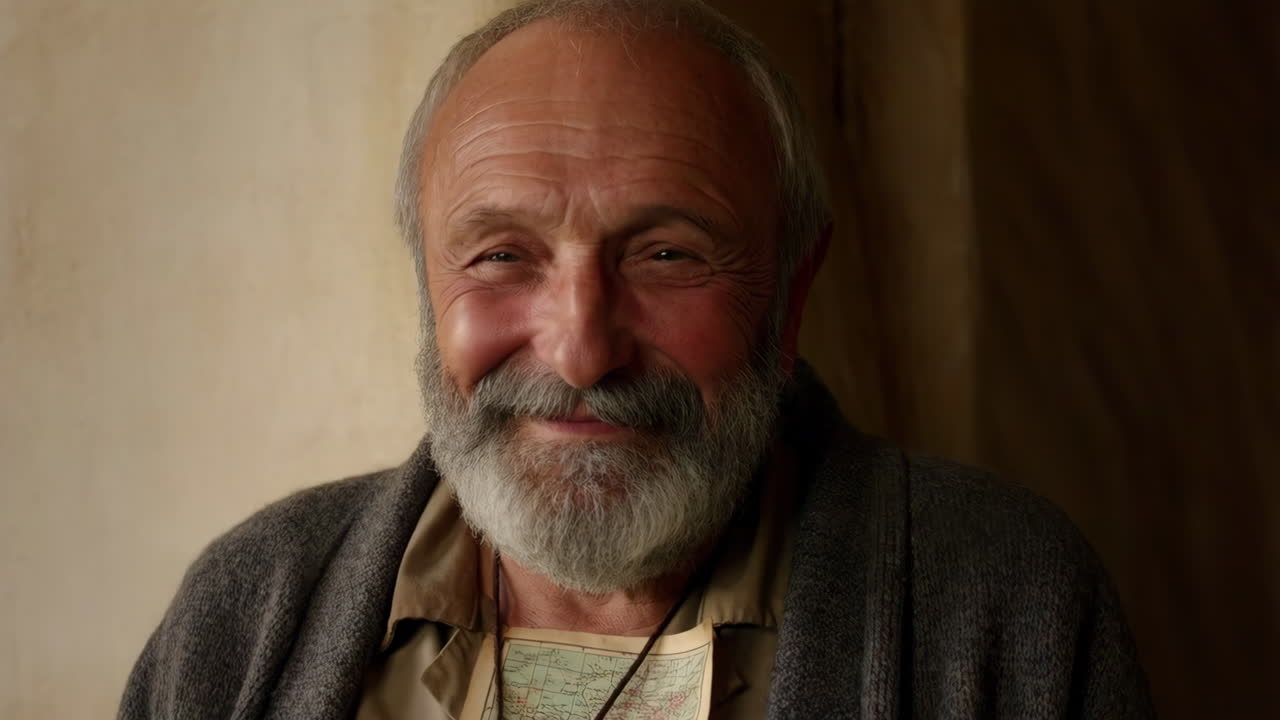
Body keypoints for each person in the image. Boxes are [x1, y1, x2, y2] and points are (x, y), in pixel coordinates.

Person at [119, 1, 1154, 718]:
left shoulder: (1009, 603)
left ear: (790, 294)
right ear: (427, 283)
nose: (578, 350)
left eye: (666, 255)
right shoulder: (245, 610)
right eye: (499, 256)